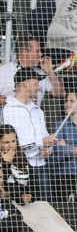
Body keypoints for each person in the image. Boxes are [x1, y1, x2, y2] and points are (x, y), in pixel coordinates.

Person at [2, 69, 57, 200]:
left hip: (41, 166)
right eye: (36, 83)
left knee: (47, 208)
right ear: (25, 84)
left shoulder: (38, 110)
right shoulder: (9, 109)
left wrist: (47, 149)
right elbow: (12, 145)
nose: (39, 88)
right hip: (21, 169)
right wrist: (42, 142)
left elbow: (45, 137)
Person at [0, 38, 67, 106]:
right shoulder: (4, 71)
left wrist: (50, 71)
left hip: (35, 116)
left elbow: (61, 93)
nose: (41, 54)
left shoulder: (40, 73)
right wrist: (17, 100)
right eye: (37, 51)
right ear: (24, 53)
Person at [0, 127, 37, 205]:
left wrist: (29, 195)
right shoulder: (3, 162)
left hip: (24, 206)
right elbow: (3, 186)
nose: (11, 146)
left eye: (13, 141)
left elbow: (33, 184)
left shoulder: (22, 157)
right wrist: (6, 163)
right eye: (6, 142)